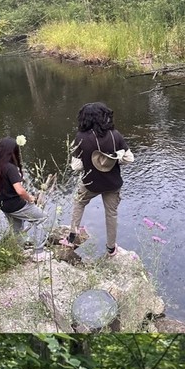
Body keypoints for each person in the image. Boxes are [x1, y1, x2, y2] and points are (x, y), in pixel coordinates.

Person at [67, 102, 133, 256]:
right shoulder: (115, 135)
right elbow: (130, 159)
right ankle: (111, 249)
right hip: (113, 183)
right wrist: (114, 160)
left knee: (79, 203)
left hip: (91, 183)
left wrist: (89, 162)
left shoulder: (80, 137)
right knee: (111, 214)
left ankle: (71, 238)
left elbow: (76, 166)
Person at [0, 137, 47, 259]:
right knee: (42, 219)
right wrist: (30, 199)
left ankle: (19, 250)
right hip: (16, 204)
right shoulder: (10, 168)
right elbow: (20, 191)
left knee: (17, 227)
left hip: (2, 203)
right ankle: (39, 253)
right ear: (13, 152)